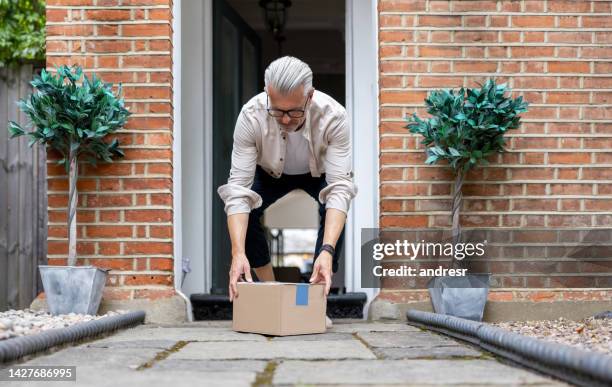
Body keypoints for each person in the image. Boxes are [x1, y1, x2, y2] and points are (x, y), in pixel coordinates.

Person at [217, 56, 358, 310]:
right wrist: (237, 253)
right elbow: (237, 191)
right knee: (245, 211)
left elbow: (339, 188)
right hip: (270, 171)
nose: (284, 119)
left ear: (310, 96)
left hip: (319, 172)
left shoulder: (334, 116)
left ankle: (313, 305)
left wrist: (327, 250)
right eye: (277, 111)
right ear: (267, 94)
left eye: (294, 111)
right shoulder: (250, 116)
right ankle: (274, 297)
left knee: (335, 212)